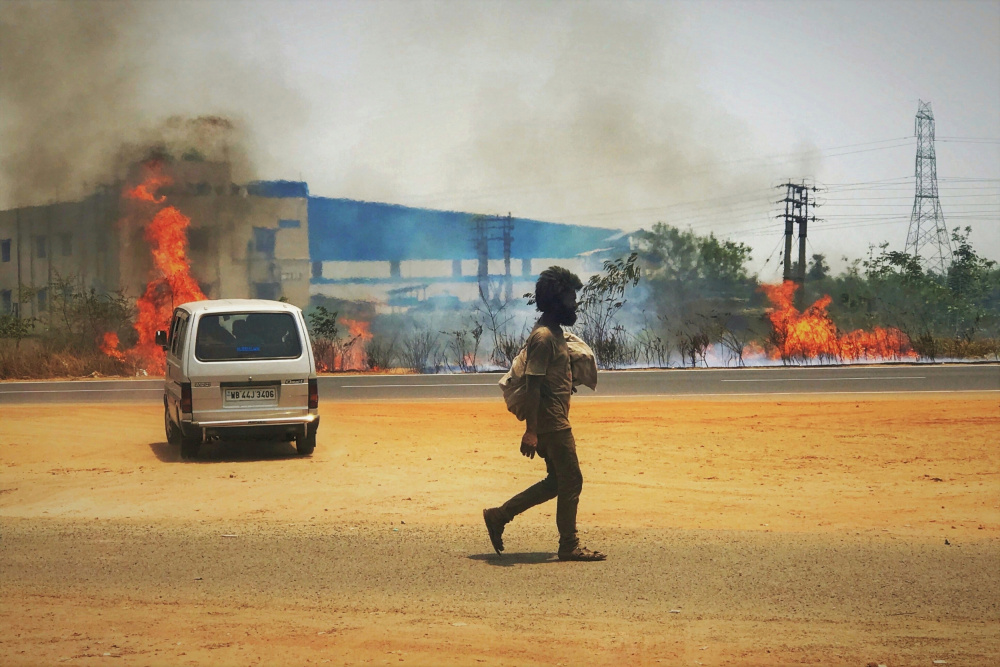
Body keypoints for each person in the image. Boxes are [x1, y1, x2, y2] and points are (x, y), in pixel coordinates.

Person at [483, 266, 606, 561]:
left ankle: (500, 515)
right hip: (551, 422)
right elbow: (533, 385)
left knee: (556, 481)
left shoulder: (555, 334)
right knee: (572, 480)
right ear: (555, 301)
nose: (575, 304)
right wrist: (531, 431)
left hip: (553, 417)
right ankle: (569, 545)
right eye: (570, 298)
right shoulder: (543, 338)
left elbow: (549, 378)